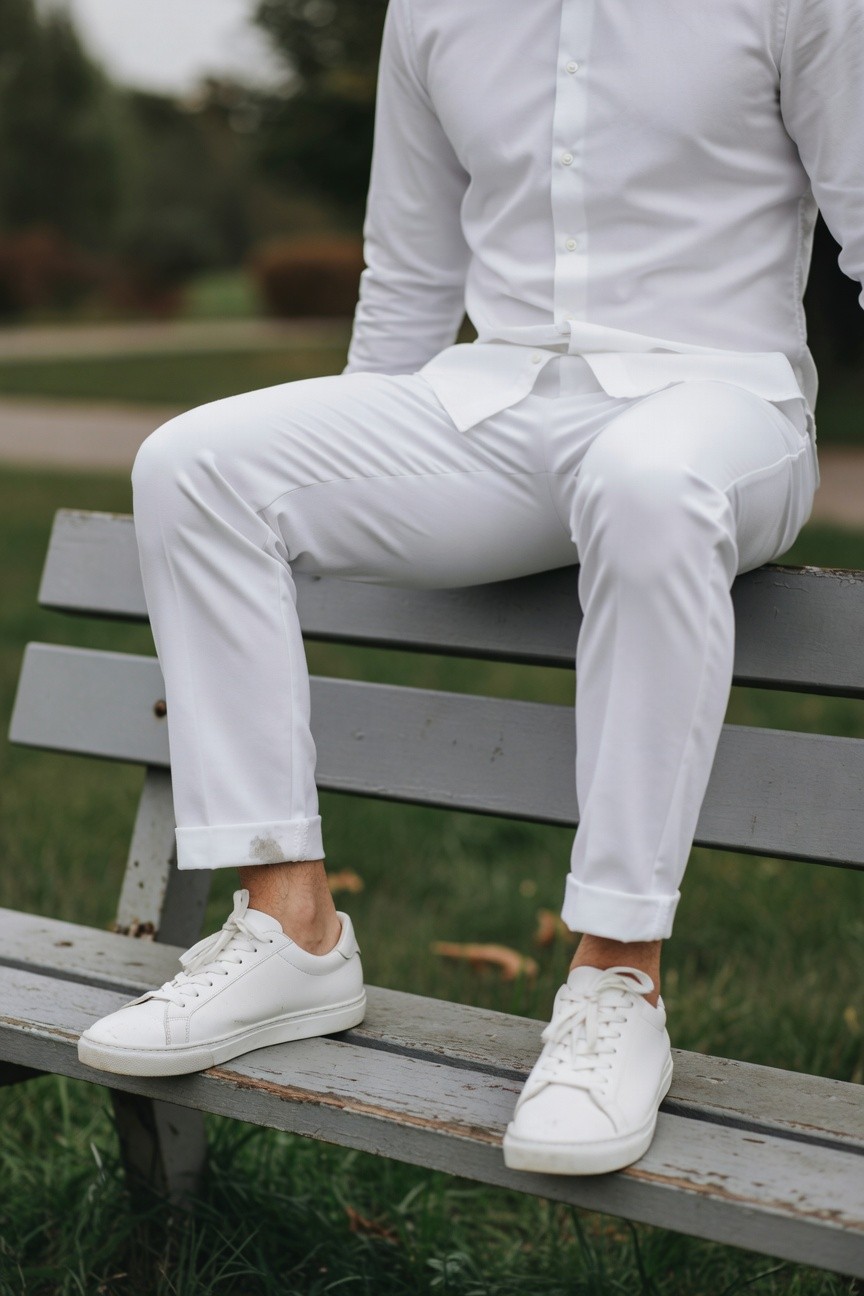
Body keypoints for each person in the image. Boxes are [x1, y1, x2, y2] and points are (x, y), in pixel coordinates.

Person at [77, 0, 860, 1176]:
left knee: (647, 482)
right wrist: (358, 459)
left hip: (723, 406)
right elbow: (409, 273)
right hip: (496, 409)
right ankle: (291, 926)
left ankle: (616, 982)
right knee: (193, 465)